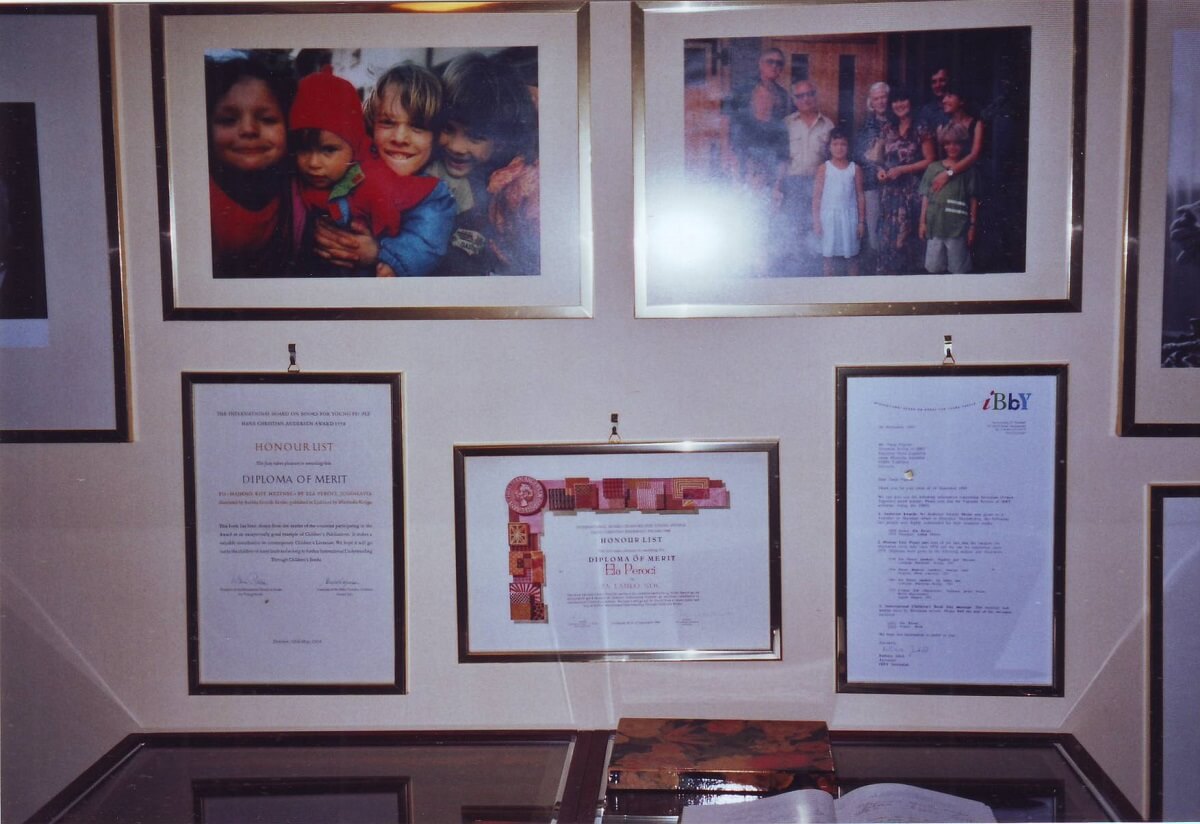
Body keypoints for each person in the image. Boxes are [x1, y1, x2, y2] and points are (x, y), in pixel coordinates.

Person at [288, 66, 446, 277]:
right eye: (388, 122)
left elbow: (425, 240)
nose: (400, 138)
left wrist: (380, 255)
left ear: (436, 137)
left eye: (417, 126)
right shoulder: (351, 164)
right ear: (372, 123)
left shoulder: (430, 194)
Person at [428, 51, 540, 276]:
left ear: (499, 141)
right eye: (448, 129)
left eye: (476, 136)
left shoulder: (514, 187)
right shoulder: (427, 163)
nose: (457, 147)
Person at [205, 55, 297, 278]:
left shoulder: (299, 187)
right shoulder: (196, 200)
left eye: (267, 119)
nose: (248, 130)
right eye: (228, 120)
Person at [876, 89, 934, 275]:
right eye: (895, 101)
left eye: (903, 100)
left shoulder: (921, 127)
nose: (899, 105)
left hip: (911, 192)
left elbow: (930, 160)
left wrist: (902, 169)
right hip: (890, 193)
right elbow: (879, 159)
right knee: (888, 239)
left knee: (907, 239)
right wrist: (880, 172)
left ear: (911, 102)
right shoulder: (887, 128)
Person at [781, 79, 834, 273]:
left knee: (816, 229)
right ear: (794, 100)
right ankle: (795, 273)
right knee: (793, 228)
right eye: (800, 96)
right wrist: (779, 186)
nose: (806, 99)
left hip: (817, 185)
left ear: (816, 96)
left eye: (810, 94)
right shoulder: (786, 124)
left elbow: (831, 159)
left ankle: (813, 272)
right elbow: (780, 157)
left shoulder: (827, 125)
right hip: (792, 184)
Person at [729, 47, 791, 187]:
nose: (774, 66)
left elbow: (783, 130)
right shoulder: (743, 88)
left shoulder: (783, 94)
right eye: (770, 61)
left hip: (769, 154)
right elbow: (725, 119)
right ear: (761, 64)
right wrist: (725, 151)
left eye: (779, 63)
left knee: (766, 191)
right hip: (743, 152)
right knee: (742, 191)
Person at [918, 133, 979, 274]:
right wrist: (922, 222)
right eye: (948, 143)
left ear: (963, 145)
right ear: (943, 145)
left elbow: (973, 200)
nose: (952, 147)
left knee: (958, 269)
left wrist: (972, 226)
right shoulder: (933, 168)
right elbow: (925, 197)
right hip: (935, 225)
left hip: (957, 227)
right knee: (934, 267)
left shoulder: (969, 170)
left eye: (957, 143)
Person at [813, 128, 865, 276]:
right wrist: (817, 221)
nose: (839, 148)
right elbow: (816, 197)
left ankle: (853, 286)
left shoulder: (855, 169)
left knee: (852, 257)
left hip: (849, 219)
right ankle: (829, 286)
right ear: (829, 147)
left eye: (843, 144)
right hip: (828, 219)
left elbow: (860, 195)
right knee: (827, 257)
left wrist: (861, 222)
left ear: (848, 147)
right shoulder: (824, 168)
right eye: (835, 144)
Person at [928, 85, 986, 195]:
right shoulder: (942, 126)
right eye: (944, 97)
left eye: (949, 96)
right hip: (946, 181)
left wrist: (949, 173)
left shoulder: (976, 124)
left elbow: (974, 155)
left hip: (970, 180)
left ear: (961, 101)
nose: (944, 100)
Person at [855, 81, 890, 262]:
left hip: (896, 183)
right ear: (871, 102)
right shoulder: (865, 128)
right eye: (876, 99)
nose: (881, 101)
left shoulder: (898, 122)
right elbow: (861, 157)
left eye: (884, 97)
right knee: (874, 228)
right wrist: (878, 169)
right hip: (872, 184)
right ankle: (877, 265)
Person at [916, 66, 951, 137]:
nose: (938, 85)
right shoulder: (927, 111)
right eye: (934, 82)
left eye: (942, 80)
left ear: (949, 81)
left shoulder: (958, 107)